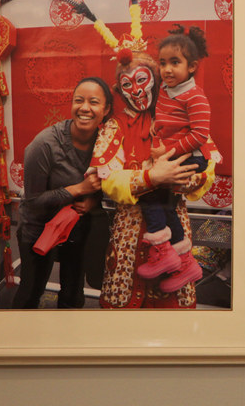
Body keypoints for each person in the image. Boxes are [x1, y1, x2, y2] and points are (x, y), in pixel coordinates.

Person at [92, 41, 206, 308]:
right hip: (129, 235)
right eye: (128, 84)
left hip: (175, 223)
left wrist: (178, 177)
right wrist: (151, 178)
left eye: (143, 80)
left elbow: (205, 169)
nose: (138, 90)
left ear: (155, 79)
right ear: (119, 90)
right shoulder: (114, 127)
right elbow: (108, 180)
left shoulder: (181, 114)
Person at [11, 77, 112, 309]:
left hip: (75, 229)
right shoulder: (44, 145)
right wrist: (79, 189)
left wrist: (92, 201)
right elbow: (34, 202)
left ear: (105, 110)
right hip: (38, 229)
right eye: (79, 101)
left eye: (93, 102)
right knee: (29, 293)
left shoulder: (107, 144)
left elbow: (111, 182)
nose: (85, 108)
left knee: (73, 296)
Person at [134, 24, 218, 291]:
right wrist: (155, 123)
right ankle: (185, 264)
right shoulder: (165, 91)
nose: (167, 69)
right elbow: (166, 118)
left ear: (191, 67)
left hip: (191, 157)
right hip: (174, 155)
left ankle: (162, 250)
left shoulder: (195, 97)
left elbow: (200, 136)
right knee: (166, 206)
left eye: (175, 63)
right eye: (163, 63)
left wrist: (167, 153)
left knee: (149, 192)